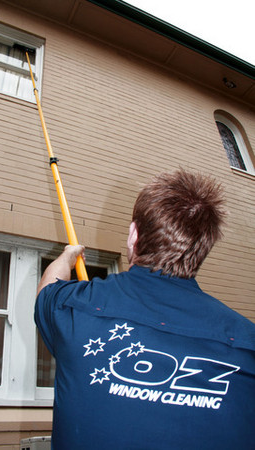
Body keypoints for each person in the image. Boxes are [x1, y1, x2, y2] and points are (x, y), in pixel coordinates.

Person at [35, 169, 255, 450]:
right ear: (201, 250)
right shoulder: (248, 343)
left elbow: (47, 289)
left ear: (133, 236)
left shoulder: (76, 307)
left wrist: (68, 256)